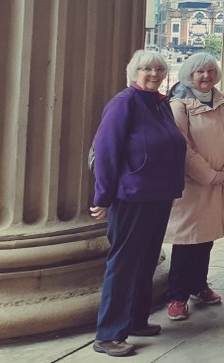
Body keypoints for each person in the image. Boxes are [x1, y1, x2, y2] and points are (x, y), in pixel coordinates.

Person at [91, 50, 185, 358]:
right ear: (134, 72)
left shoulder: (160, 105)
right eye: (147, 68)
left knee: (147, 260)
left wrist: (174, 189)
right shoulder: (123, 104)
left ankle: (136, 320)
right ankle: (108, 334)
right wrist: (103, 198)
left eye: (159, 68)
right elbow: (106, 152)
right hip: (131, 196)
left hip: (158, 196)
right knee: (124, 264)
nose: (154, 73)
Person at [164, 53, 224, 321]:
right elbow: (181, 146)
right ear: (190, 74)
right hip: (195, 185)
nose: (206, 76)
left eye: (211, 71)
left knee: (207, 238)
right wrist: (209, 175)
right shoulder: (179, 104)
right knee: (186, 241)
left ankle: (200, 285)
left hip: (221, 180)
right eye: (200, 72)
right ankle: (177, 296)